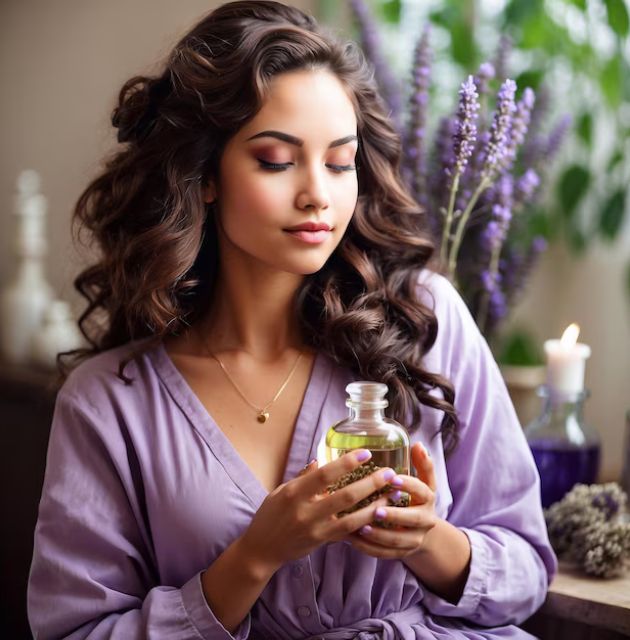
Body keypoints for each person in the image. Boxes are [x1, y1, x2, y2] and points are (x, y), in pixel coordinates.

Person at [27, 2, 557, 638]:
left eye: (340, 163)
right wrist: (254, 556)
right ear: (205, 175)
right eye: (277, 160)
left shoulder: (426, 322)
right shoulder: (109, 405)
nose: (318, 194)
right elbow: (74, 630)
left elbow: (526, 569)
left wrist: (427, 543)